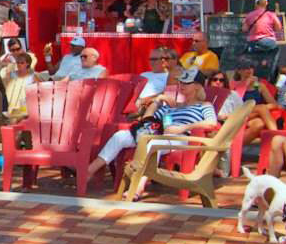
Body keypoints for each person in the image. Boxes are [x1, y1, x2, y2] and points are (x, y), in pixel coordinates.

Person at [86, 68, 218, 191]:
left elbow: (212, 123)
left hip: (182, 139)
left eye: (186, 82)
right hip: (159, 134)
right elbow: (147, 119)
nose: (181, 85)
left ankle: (138, 186)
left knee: (154, 144)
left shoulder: (204, 106)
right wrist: (158, 100)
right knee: (120, 136)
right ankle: (89, 171)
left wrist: (183, 127)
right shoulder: (172, 106)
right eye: (181, 81)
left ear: (197, 86)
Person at [231, 60, 279, 144]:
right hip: (239, 114)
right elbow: (236, 103)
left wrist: (263, 109)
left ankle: (234, 146)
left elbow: (274, 104)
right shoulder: (233, 85)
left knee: (259, 124)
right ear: (239, 71)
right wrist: (245, 85)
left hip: (253, 115)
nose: (249, 70)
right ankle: (275, 133)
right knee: (261, 108)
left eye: (251, 67)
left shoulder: (259, 86)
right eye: (245, 68)